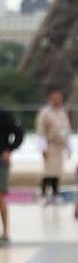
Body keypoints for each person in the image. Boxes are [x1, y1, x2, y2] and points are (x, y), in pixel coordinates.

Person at [35, 87, 70, 201]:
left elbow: (66, 128)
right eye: (55, 98)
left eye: (59, 98)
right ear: (50, 98)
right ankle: (44, 193)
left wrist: (68, 145)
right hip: (49, 145)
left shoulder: (62, 111)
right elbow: (41, 131)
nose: (57, 100)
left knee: (57, 172)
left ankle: (55, 193)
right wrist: (43, 148)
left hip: (59, 145)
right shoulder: (45, 113)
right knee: (48, 171)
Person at [0, 104, 25, 243]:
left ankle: (5, 231)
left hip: (1, 161)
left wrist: (9, 149)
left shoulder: (4, 115)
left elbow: (19, 132)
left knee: (0, 196)